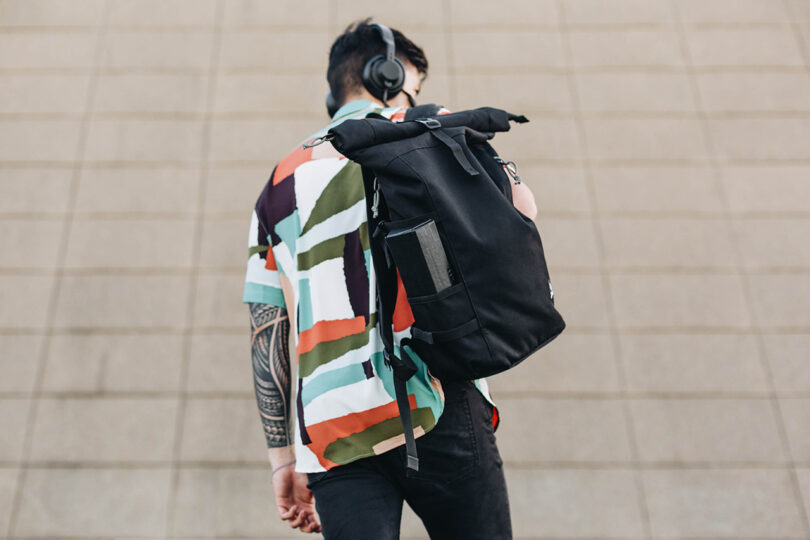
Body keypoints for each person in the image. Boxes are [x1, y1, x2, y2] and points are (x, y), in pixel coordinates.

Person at [243, 19, 537, 539]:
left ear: (334, 92)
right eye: (412, 85)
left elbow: (268, 329)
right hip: (435, 398)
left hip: (331, 431)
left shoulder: (279, 181)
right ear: (390, 76)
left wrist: (282, 459)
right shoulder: (425, 128)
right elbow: (521, 213)